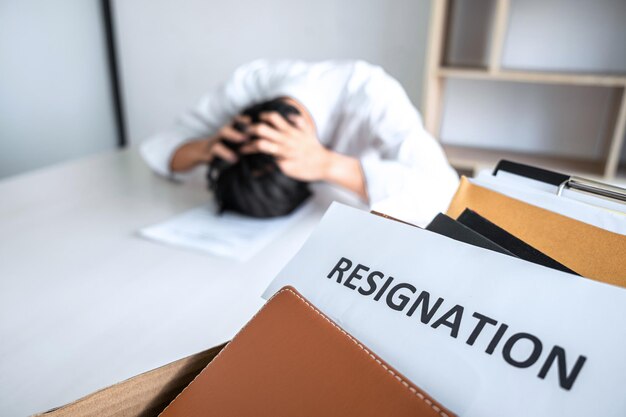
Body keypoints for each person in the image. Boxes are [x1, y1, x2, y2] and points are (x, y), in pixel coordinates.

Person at [141, 59, 459, 226]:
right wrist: (206, 147)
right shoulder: (243, 90)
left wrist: (326, 163)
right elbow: (158, 148)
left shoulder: (371, 93)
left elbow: (446, 195)